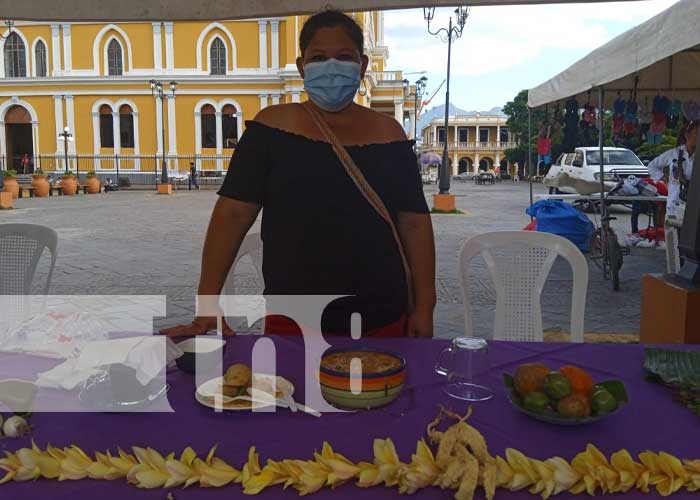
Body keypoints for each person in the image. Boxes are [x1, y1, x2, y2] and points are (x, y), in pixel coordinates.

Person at [162, 10, 435, 339]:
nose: (331, 66)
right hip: (293, 319)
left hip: (382, 316)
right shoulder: (270, 127)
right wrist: (207, 303)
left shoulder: (389, 133)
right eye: (319, 57)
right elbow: (232, 214)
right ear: (302, 66)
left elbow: (415, 223)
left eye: (344, 57)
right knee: (291, 390)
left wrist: (424, 306)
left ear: (362, 66)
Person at [647, 120, 698, 222]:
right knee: (673, 236)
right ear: (687, 135)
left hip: (695, 207)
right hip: (674, 205)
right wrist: (663, 178)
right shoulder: (673, 153)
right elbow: (652, 166)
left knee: (693, 237)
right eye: (697, 133)